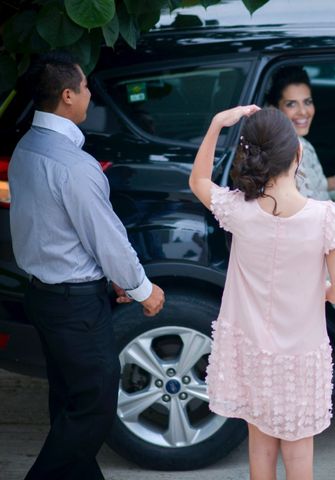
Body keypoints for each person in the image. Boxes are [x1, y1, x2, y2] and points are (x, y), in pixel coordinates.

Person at [8, 51, 165, 480]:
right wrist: (141, 288)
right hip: (74, 305)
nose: (90, 94)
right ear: (66, 95)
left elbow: (53, 228)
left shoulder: (25, 147)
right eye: (84, 86)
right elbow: (106, 238)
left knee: (68, 400)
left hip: (44, 294)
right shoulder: (73, 165)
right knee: (93, 404)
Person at [189, 106, 335, 480]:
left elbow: (198, 181)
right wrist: (317, 292)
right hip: (299, 356)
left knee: (259, 449)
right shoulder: (326, 218)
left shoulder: (238, 210)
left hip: (251, 351)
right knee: (298, 457)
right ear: (297, 154)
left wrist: (216, 123)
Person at [266, 66, 335, 330]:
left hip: (322, 227)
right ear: (275, 109)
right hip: (312, 246)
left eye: (307, 102)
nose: (303, 112)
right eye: (291, 104)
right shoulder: (285, 152)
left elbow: (309, 193)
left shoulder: (300, 143)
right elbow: (302, 212)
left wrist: (333, 185)